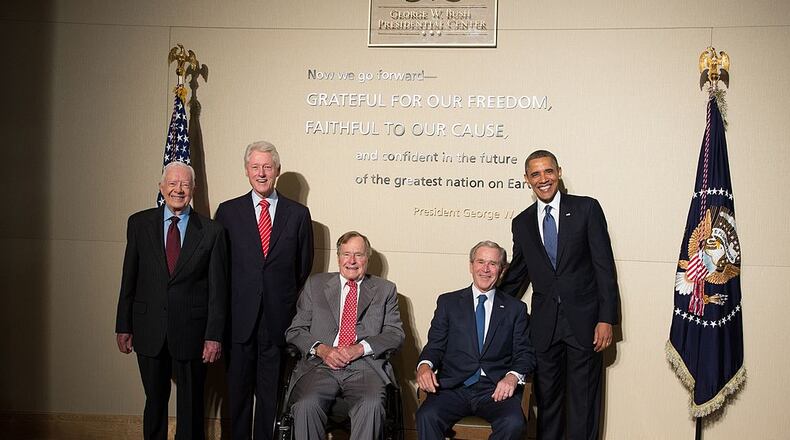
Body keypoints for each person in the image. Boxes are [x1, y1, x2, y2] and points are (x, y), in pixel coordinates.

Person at [499, 149, 620, 440]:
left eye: (548, 171)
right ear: (527, 179)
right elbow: (518, 273)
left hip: (585, 325)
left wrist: (607, 319)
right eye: (536, 174)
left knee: (583, 404)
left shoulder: (587, 209)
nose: (544, 179)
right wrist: (488, 299)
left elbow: (604, 267)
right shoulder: (522, 222)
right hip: (544, 328)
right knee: (549, 405)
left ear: (559, 172)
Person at [115, 161, 227, 440]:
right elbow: (129, 278)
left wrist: (214, 335)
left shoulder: (212, 232)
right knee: (154, 399)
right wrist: (123, 325)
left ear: (194, 190)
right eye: (173, 184)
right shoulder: (139, 224)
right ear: (161, 188)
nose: (178, 189)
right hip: (148, 327)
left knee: (191, 404)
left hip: (193, 331)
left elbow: (218, 290)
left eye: (185, 185)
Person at [215, 141, 314, 440]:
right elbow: (219, 269)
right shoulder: (228, 212)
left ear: (277, 171)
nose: (261, 173)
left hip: (277, 321)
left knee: (271, 397)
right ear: (246, 171)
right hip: (239, 321)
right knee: (238, 394)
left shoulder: (298, 214)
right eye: (255, 167)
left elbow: (303, 266)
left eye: (267, 167)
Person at [285, 231, 404, 440]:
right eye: (346, 254)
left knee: (371, 406)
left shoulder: (385, 290)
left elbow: (395, 334)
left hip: (365, 366)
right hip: (320, 366)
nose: (352, 261)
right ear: (338, 257)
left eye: (358, 255)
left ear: (367, 258)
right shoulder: (316, 285)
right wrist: (323, 350)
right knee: (305, 406)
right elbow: (295, 331)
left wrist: (359, 348)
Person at [416, 241, 536, 440]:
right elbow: (435, 345)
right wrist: (424, 366)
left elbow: (525, 354)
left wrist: (512, 377)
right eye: (480, 262)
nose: (485, 269)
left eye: (493, 263)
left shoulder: (516, 309)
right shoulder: (448, 303)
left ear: (502, 270)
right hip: (454, 388)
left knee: (513, 423)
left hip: (495, 389)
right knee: (426, 416)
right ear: (471, 266)